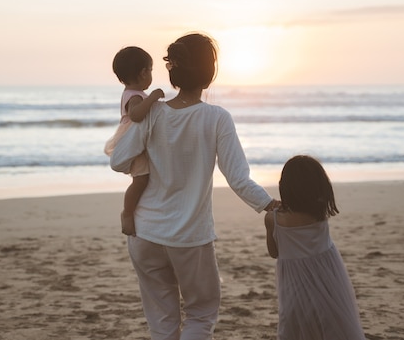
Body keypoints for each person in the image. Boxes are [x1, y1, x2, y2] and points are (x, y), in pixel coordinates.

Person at [110, 33, 280, 340]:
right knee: (201, 315)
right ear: (209, 73)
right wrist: (270, 204)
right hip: (189, 236)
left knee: (162, 323)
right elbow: (238, 178)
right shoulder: (216, 118)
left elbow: (119, 161)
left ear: (172, 70)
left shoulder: (152, 113)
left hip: (145, 231)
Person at [264, 155, 366, 340]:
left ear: (284, 186)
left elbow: (274, 253)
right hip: (328, 277)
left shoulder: (274, 218)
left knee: (292, 323)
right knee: (331, 321)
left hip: (294, 283)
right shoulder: (319, 212)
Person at [104, 46, 164, 236]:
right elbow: (136, 115)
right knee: (140, 180)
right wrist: (153, 97)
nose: (151, 74)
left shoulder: (133, 94)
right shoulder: (134, 96)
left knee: (145, 178)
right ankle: (127, 213)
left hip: (137, 142)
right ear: (143, 72)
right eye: (151, 70)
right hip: (132, 143)